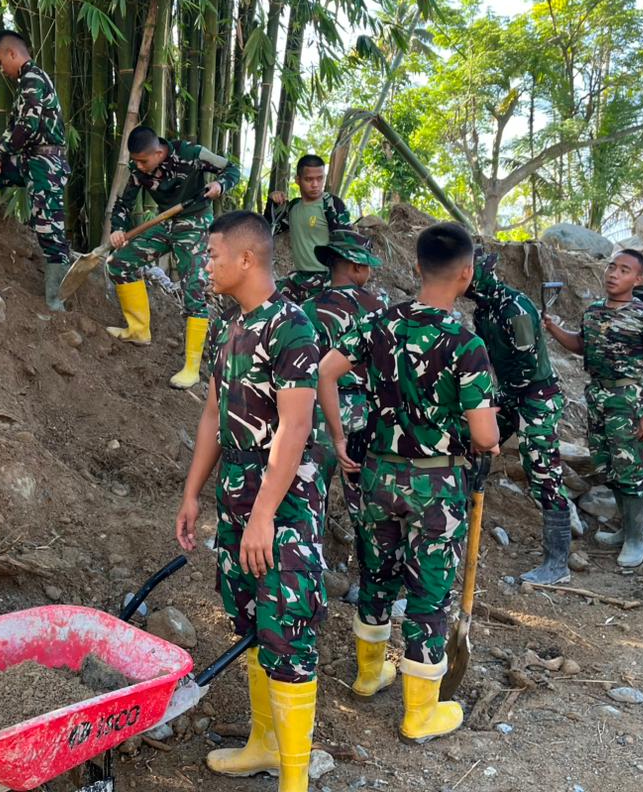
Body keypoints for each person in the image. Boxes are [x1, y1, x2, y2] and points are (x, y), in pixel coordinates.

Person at [318, 221, 497, 743]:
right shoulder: (466, 343)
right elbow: (484, 436)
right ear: (466, 274)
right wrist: (487, 443)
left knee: (376, 575)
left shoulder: (378, 322)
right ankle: (420, 714)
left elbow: (325, 371)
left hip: (376, 474)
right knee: (429, 593)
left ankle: (369, 674)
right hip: (436, 485)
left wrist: (339, 436)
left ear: (416, 267)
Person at [175, 211, 322, 792]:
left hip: (284, 505)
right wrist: (192, 493)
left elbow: (295, 427)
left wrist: (263, 516)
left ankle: (294, 778)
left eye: (212, 255)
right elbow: (213, 414)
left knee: (286, 629)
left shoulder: (292, 327)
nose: (205, 265)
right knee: (250, 620)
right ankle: (264, 745)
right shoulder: (227, 328)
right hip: (236, 496)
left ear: (246, 258)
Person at [543, 249, 643, 569]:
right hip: (597, 396)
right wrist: (553, 328)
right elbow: (581, 344)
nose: (614, 274)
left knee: (630, 468)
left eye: (624, 270)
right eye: (612, 267)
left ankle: (637, 538)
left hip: (627, 399)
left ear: (637, 279)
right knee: (608, 466)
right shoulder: (594, 311)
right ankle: (625, 530)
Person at [465, 248, 571, 584]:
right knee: (470, 442)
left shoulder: (516, 308)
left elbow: (526, 366)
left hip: (536, 395)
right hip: (510, 392)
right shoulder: (484, 310)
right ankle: (461, 521)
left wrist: (497, 402)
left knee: (542, 467)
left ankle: (558, 563)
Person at [106, 124, 240, 388]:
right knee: (119, 263)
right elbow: (123, 203)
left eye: (143, 161)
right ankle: (138, 329)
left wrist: (220, 184)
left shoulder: (191, 153)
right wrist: (118, 229)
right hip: (164, 222)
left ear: (158, 153)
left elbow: (232, 168)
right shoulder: (138, 168)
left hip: (195, 222)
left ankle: (191, 368)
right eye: (135, 161)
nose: (139, 166)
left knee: (194, 288)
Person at [0, 29, 71, 311]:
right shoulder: (24, 84)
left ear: (12, 53)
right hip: (28, 159)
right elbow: (13, 131)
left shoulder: (33, 79)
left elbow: (28, 126)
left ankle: (56, 302)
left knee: (49, 229)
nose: (0, 69)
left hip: (46, 164)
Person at [300, 229, 386, 570]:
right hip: (366, 412)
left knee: (310, 492)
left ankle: (310, 569)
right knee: (365, 498)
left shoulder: (308, 309)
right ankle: (370, 576)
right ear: (355, 266)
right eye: (367, 266)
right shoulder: (378, 309)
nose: (370, 273)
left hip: (320, 409)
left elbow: (305, 368)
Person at [264, 154, 352, 304]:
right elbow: (268, 228)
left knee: (313, 315)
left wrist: (340, 284)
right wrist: (271, 202)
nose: (315, 184)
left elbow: (347, 244)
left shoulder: (331, 204)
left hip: (326, 278)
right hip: (299, 278)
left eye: (320, 178)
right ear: (298, 180)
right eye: (309, 179)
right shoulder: (293, 207)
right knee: (268, 303)